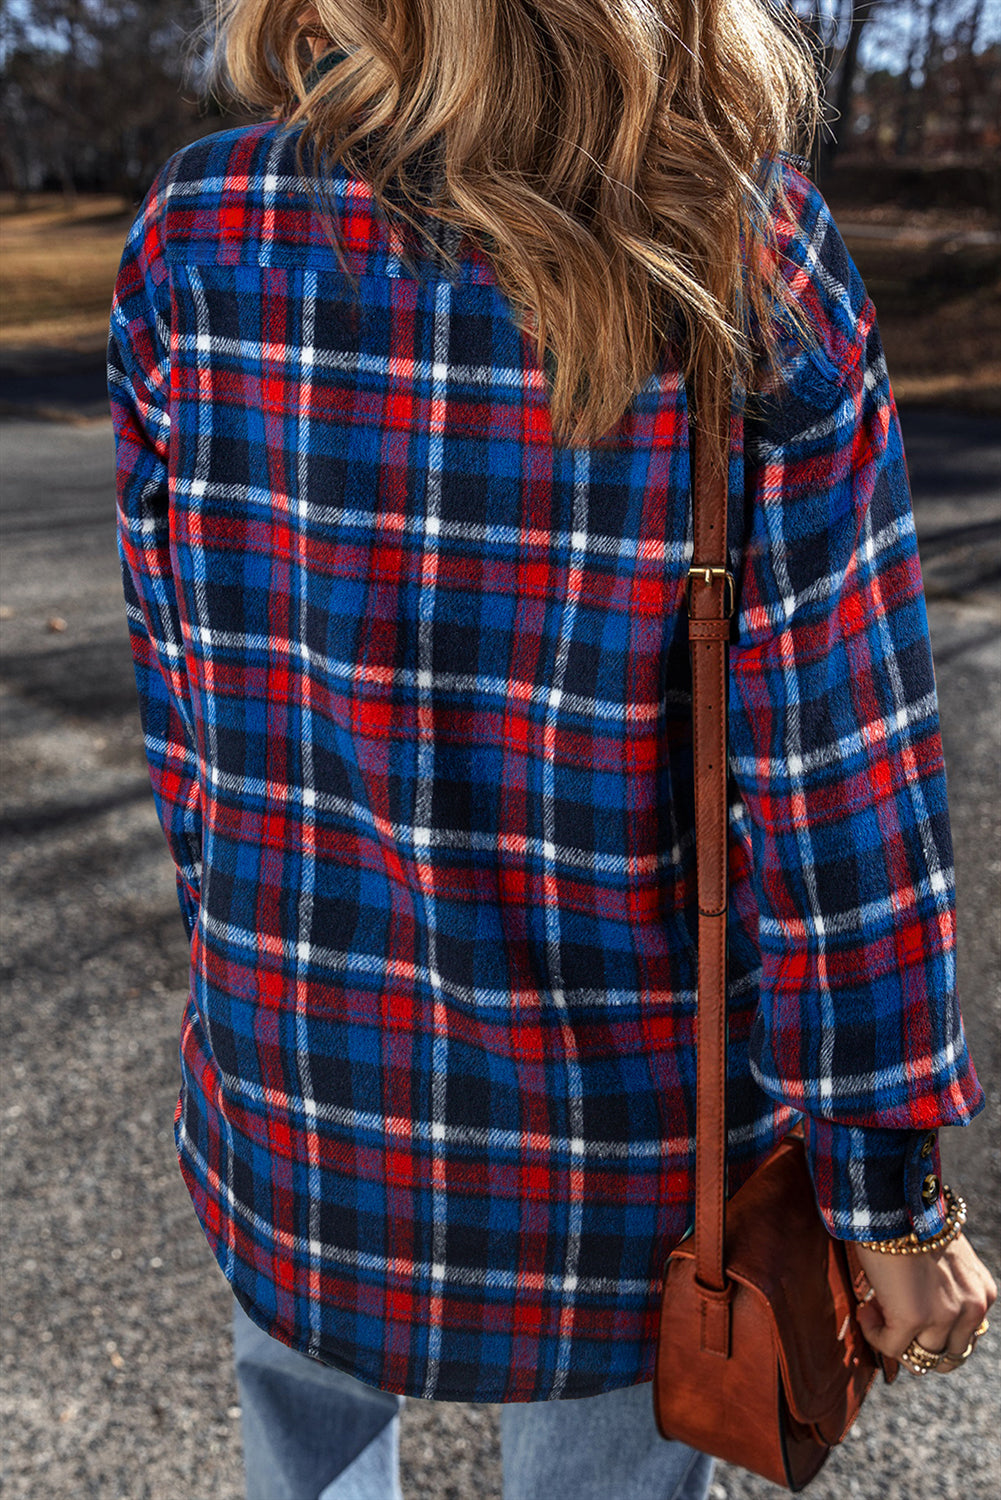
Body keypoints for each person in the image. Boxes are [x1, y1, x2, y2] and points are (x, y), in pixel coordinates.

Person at [109, 3, 996, 1497]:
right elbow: (841, 773)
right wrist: (884, 1190)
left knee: (300, 1453)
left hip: (303, 1091)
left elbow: (186, 696)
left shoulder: (201, 231)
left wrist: (242, 967)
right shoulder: (736, 248)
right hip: (629, 1147)